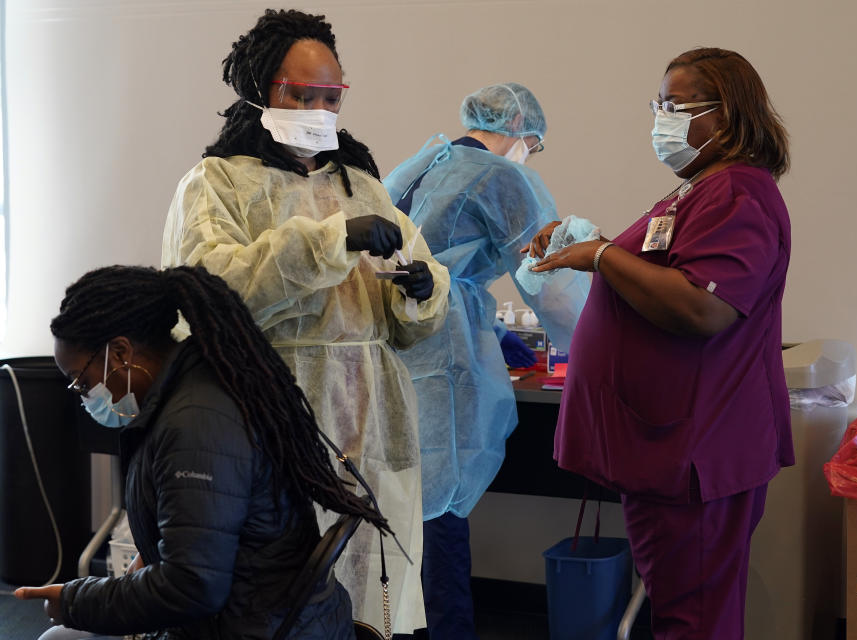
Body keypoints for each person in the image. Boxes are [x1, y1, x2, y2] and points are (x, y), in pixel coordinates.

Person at [160, 9, 449, 635]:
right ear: (262, 87)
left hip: (375, 419)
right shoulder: (216, 184)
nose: (318, 108)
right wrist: (328, 241)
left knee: (374, 589)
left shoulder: (363, 187)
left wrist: (421, 291)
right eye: (300, 94)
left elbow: (411, 319)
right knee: (289, 590)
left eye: (331, 96)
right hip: (277, 413)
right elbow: (212, 291)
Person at [526, 48, 792, 640]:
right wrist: (589, 244)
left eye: (676, 106)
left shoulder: (736, 195)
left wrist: (601, 256)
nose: (661, 118)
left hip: (695, 453)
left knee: (691, 621)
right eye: (658, 104)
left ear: (725, 116)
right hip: (672, 452)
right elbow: (657, 272)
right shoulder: (700, 190)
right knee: (684, 610)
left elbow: (703, 305)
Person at [16, 265, 389, 639]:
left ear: (120, 353)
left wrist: (74, 601)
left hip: (252, 627)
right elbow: (203, 525)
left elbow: (192, 587)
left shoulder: (194, 423)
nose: (84, 397)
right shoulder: (197, 388)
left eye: (81, 382)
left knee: (59, 637)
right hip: (261, 617)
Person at [382, 82, 589, 639]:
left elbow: (423, 267)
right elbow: (548, 274)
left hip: (388, 355)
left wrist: (492, 326)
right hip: (441, 359)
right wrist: (595, 341)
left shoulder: (418, 167)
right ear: (522, 133)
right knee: (443, 503)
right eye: (534, 146)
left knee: (398, 511)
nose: (530, 156)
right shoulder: (506, 178)